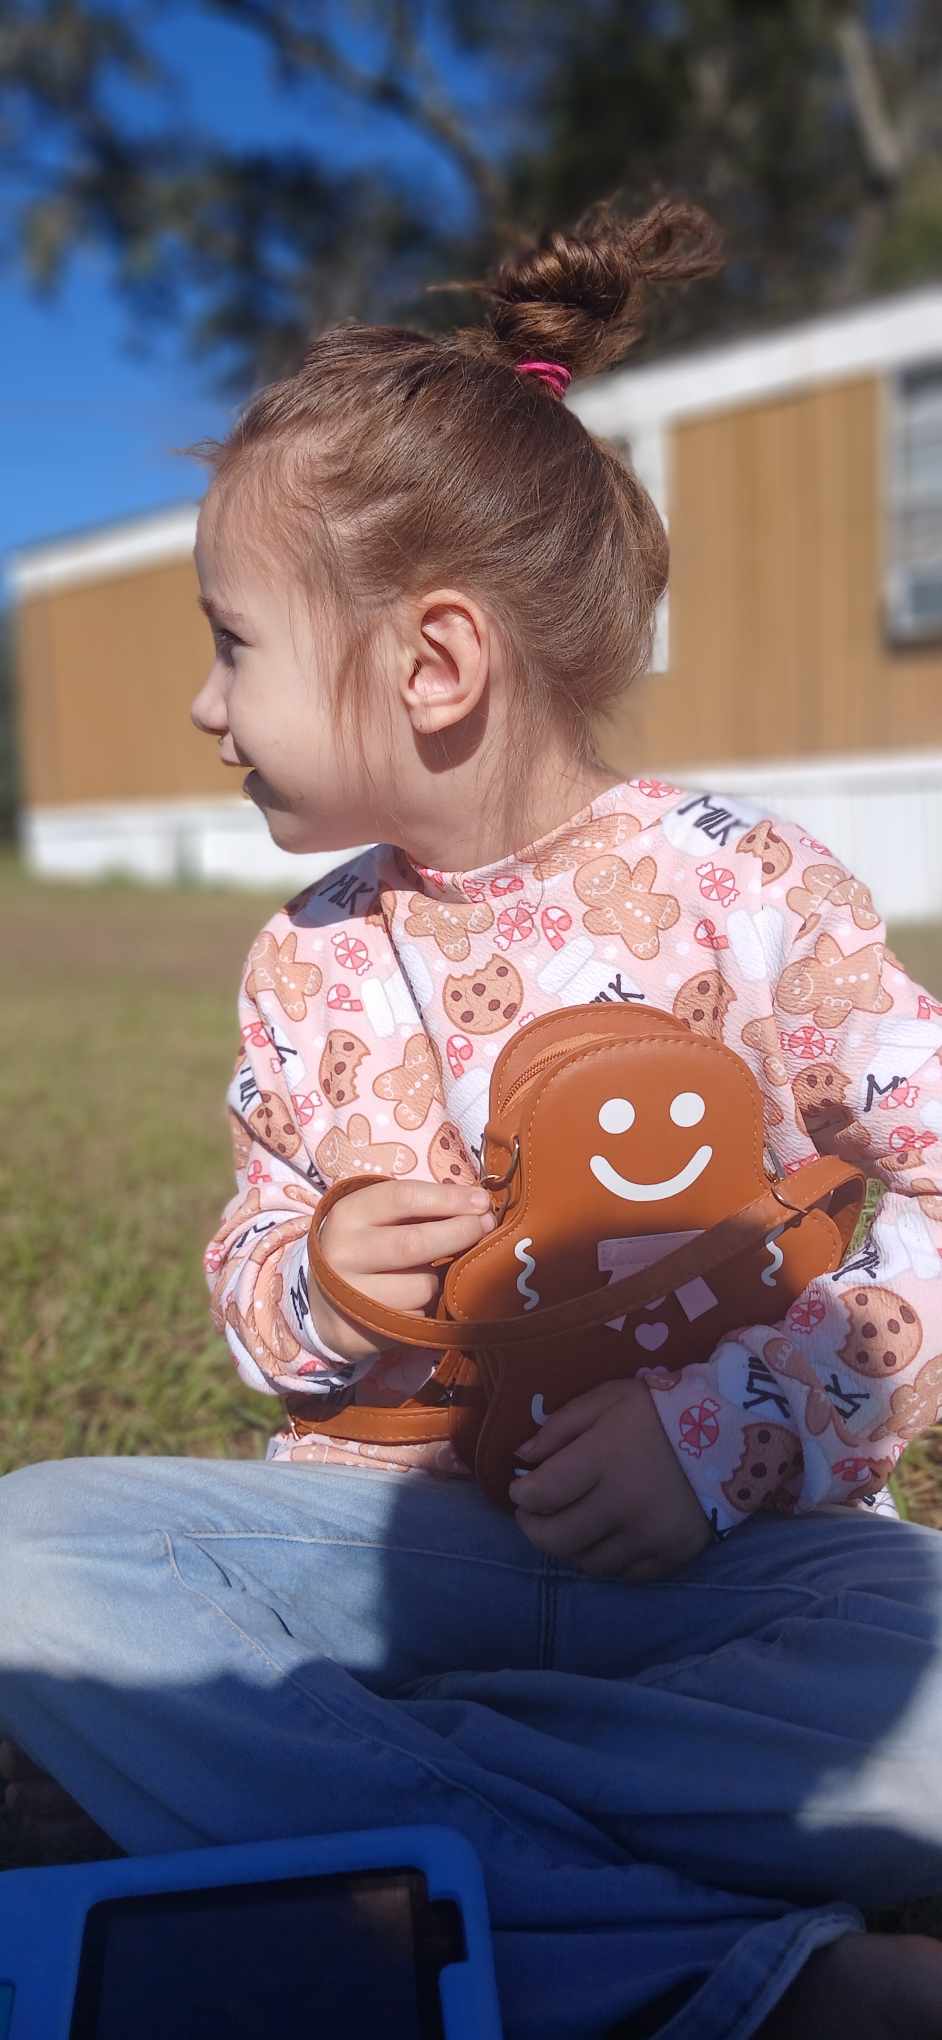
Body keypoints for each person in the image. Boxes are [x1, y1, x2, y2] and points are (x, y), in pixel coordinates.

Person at [2, 192, 942, 2039]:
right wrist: (321, 1282)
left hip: (740, 1575)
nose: (201, 702)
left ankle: (386, 1816)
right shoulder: (308, 960)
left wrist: (723, 1433)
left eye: (232, 642)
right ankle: (754, 1966)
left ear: (434, 664)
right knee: (31, 1565)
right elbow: (248, 1279)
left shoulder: (744, 892)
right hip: (381, 1562)